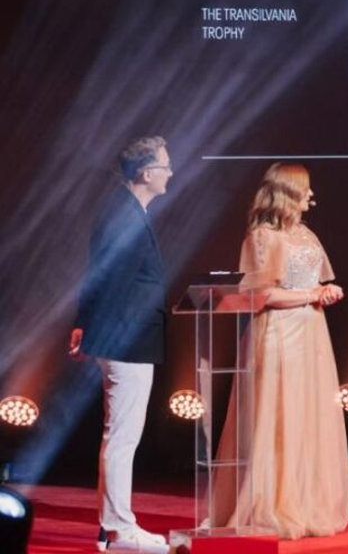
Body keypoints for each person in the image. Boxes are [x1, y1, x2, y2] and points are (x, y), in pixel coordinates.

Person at [213, 163, 348, 539]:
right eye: (305, 189)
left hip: (311, 331)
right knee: (277, 414)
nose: (311, 195)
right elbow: (263, 295)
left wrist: (326, 291)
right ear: (288, 193)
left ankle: (303, 500)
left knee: (306, 413)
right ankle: (270, 504)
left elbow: (316, 281)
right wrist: (313, 294)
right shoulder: (262, 237)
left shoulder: (305, 233)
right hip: (279, 333)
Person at [70, 136, 173, 552]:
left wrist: (85, 325)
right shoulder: (124, 215)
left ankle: (112, 527)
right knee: (122, 437)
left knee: (121, 436)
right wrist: (94, 330)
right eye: (165, 166)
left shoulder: (128, 211)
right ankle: (118, 530)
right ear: (146, 173)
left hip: (125, 336)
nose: (171, 173)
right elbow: (107, 278)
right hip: (126, 339)